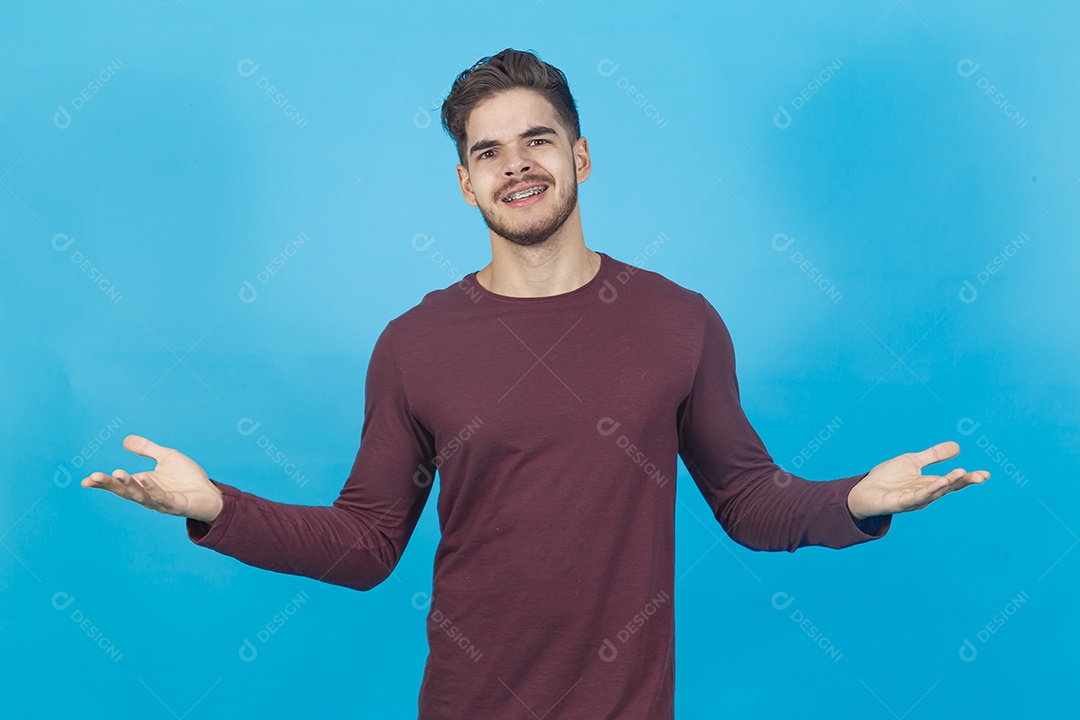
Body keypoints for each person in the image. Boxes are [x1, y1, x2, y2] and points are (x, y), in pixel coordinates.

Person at [82, 48, 989, 719]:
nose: (515, 163)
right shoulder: (413, 344)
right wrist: (215, 507)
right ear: (466, 186)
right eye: (488, 152)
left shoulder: (680, 320)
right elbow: (365, 545)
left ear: (581, 157)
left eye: (537, 140)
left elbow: (749, 502)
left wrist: (856, 499)